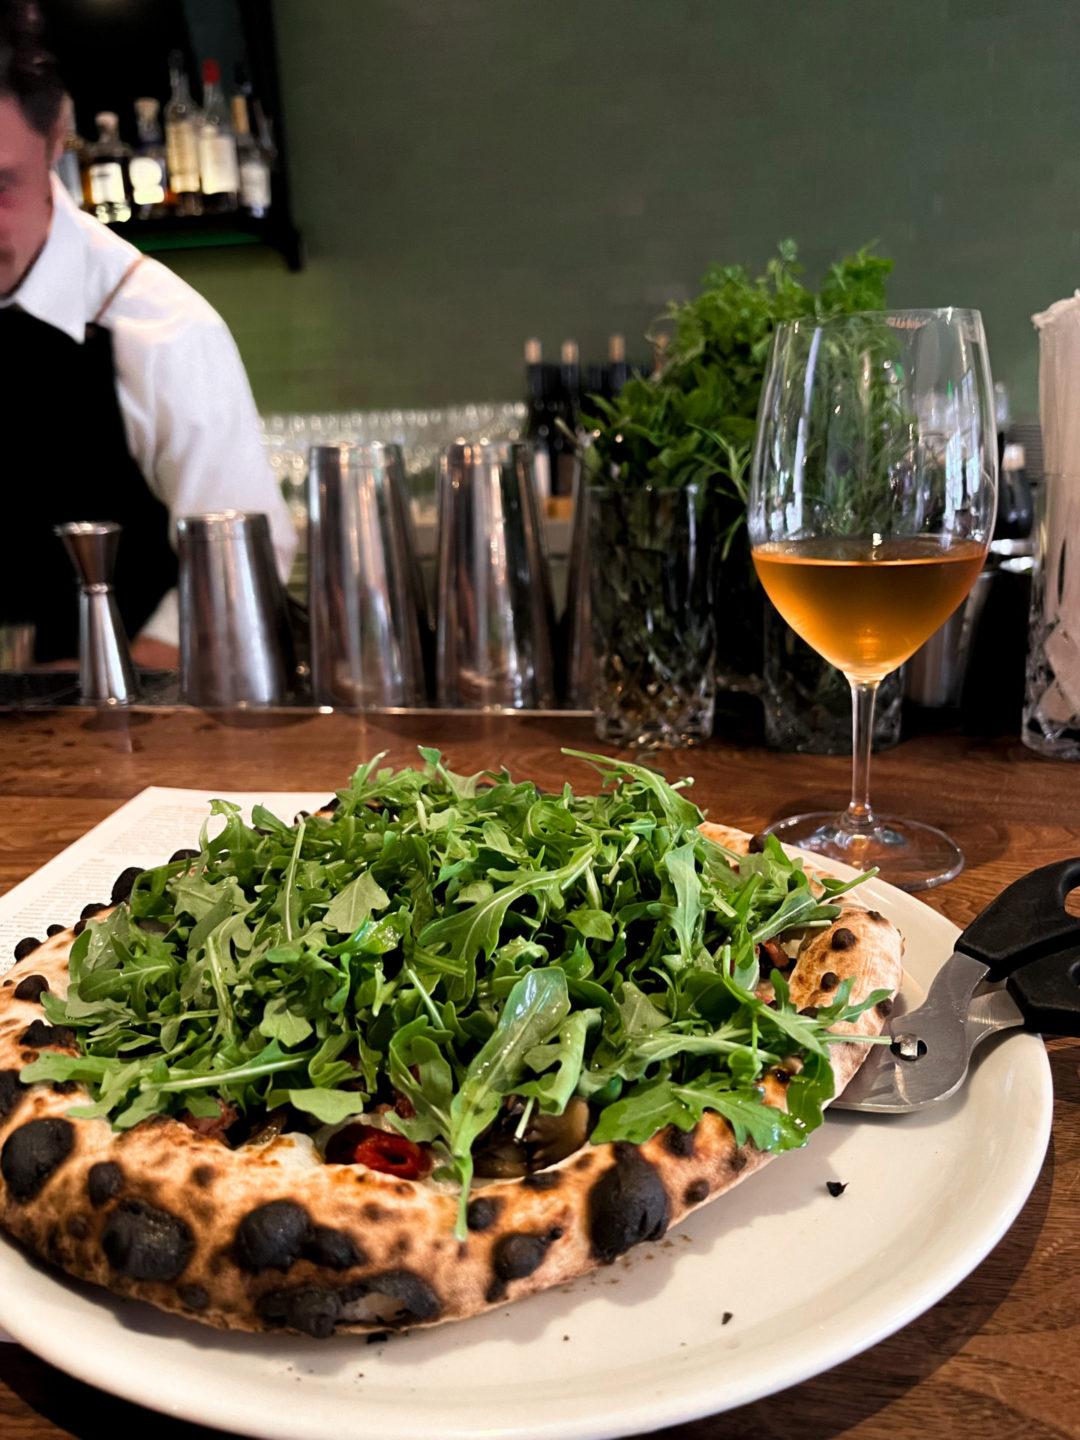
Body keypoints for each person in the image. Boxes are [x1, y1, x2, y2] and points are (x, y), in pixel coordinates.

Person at [0, 1, 296, 668]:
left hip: (121, 741)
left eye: (0, 186)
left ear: (56, 141)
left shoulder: (161, 329)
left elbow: (246, 561)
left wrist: (117, 694)